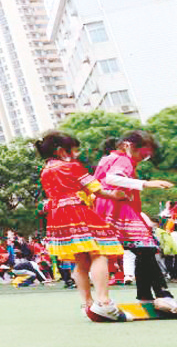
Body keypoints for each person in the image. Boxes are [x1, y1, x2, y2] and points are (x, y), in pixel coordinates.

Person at [34, 131, 129, 321]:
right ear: (62, 151)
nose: (77, 155)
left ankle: (87, 303)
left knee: (80, 261)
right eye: (74, 151)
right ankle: (104, 302)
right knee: (98, 253)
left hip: (58, 216)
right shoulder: (71, 166)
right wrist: (117, 195)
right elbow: (97, 190)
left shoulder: (45, 171)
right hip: (78, 211)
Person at [93, 132, 176, 313]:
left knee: (142, 250)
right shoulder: (123, 159)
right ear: (128, 146)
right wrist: (147, 183)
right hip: (119, 208)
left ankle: (146, 297)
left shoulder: (106, 159)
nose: (143, 159)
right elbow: (112, 178)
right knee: (145, 248)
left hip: (105, 208)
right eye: (143, 154)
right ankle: (162, 296)